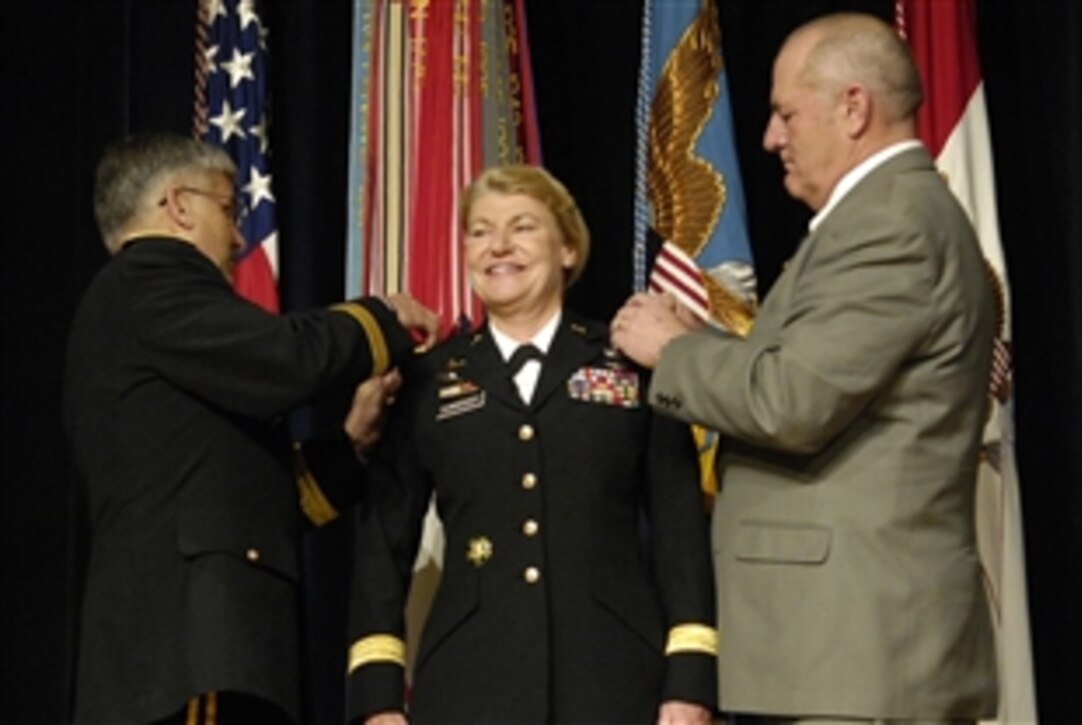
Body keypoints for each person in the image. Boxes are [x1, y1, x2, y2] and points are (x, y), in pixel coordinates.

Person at [611, 12, 998, 724]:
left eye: (787, 112)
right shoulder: (878, 220)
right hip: (840, 655)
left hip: (861, 658)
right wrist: (710, 348)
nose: (770, 138)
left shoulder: (891, 224)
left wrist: (673, 349)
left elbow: (793, 401)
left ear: (854, 107)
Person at [63, 131, 439, 725]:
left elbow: (246, 499)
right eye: (226, 209)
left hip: (200, 656)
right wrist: (380, 319)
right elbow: (283, 360)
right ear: (179, 206)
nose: (239, 237)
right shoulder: (150, 279)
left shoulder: (139, 308)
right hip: (190, 654)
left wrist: (349, 446)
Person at [344, 165, 717, 725]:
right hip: (470, 682)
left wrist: (690, 682)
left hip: (614, 676)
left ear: (568, 248)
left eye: (522, 227)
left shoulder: (631, 365)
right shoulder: (425, 380)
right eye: (479, 231)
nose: (498, 246)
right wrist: (376, 699)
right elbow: (383, 547)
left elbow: (679, 531)